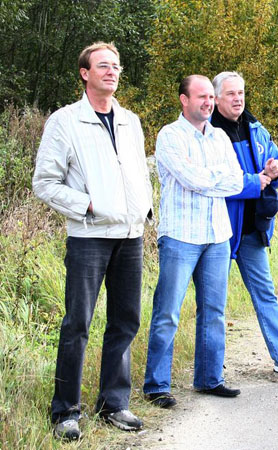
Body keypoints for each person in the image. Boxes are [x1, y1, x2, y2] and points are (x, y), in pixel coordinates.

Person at [33, 42, 153, 440]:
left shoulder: (130, 121)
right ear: (85, 73)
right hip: (89, 236)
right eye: (103, 66)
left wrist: (145, 209)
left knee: (125, 321)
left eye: (116, 66)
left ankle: (114, 403)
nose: (112, 71)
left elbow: (138, 172)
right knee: (77, 324)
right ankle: (65, 411)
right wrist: (87, 205)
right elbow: (44, 182)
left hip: (130, 236)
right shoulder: (65, 121)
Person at [143, 75, 244, 408]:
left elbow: (236, 183)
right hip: (180, 236)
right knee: (168, 312)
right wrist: (215, 178)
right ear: (184, 100)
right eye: (201, 96)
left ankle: (209, 379)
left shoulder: (219, 136)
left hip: (217, 235)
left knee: (214, 311)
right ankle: (157, 386)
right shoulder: (169, 136)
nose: (208, 102)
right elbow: (190, 179)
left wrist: (208, 179)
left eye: (211, 97)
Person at [209, 72, 278, 378]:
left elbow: (277, 163)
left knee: (266, 294)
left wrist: (276, 171)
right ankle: (212, 365)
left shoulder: (256, 129)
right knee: (214, 302)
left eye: (241, 93)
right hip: (219, 231)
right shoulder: (208, 132)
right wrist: (255, 182)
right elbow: (214, 182)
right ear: (216, 99)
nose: (238, 99)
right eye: (231, 94)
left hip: (252, 231)